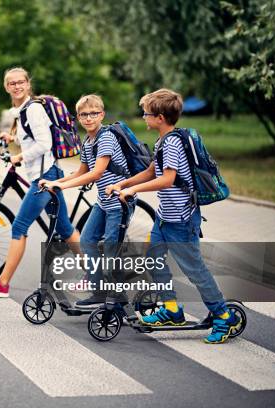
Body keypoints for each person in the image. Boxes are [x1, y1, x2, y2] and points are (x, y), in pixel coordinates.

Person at [106, 88, 240, 344]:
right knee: (153, 258)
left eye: (145, 113)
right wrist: (124, 185)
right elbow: (150, 172)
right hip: (165, 218)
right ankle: (171, 309)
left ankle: (223, 316)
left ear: (159, 117)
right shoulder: (163, 141)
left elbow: (166, 180)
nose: (143, 117)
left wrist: (132, 190)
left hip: (181, 220)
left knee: (194, 270)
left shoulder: (173, 143)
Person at [0, 67, 80, 297]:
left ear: (28, 84)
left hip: (44, 178)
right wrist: (11, 138)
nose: (17, 86)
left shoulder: (33, 110)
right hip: (48, 173)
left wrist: (19, 156)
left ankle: (2, 283)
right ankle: (97, 274)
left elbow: (44, 144)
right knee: (65, 229)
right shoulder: (21, 110)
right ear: (6, 87)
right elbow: (30, 135)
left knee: (19, 227)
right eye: (12, 83)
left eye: (21, 82)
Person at [41, 95, 134, 308]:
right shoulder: (88, 140)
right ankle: (99, 292)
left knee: (111, 250)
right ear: (78, 118)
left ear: (101, 114)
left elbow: (97, 173)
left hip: (119, 203)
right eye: (84, 114)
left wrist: (62, 187)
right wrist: (54, 181)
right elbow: (82, 171)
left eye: (93, 113)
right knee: (87, 242)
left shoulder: (107, 137)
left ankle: (118, 300)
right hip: (103, 202)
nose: (89, 118)